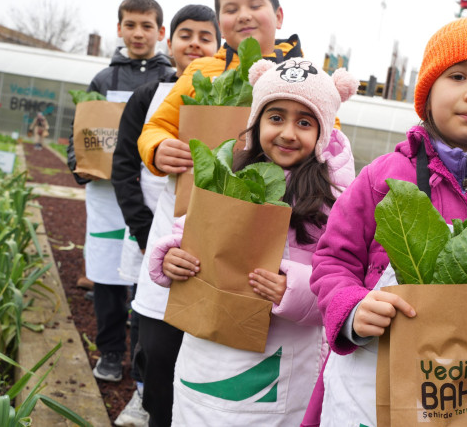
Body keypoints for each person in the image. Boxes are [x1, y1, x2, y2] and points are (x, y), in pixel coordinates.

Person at [307, 17, 467, 426]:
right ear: (427, 94)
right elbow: (332, 261)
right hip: (372, 377)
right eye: (459, 76)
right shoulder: (381, 178)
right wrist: (352, 310)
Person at [148, 57, 357, 425]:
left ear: (322, 132)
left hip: (280, 363)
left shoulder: (335, 200)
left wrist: (289, 288)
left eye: (305, 122)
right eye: (276, 117)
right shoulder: (229, 173)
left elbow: (341, 282)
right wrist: (169, 258)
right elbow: (189, 232)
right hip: (207, 348)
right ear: (256, 122)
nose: (288, 133)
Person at [132, 0, 303, 425]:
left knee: (224, 383)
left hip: (252, 257)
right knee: (161, 361)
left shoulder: (302, 77)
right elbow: (155, 129)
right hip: (182, 242)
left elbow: (331, 146)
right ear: (220, 19)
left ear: (279, 15)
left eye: (255, 5)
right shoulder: (202, 71)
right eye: (230, 9)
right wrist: (159, 149)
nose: (243, 16)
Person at [110, 5, 221, 427]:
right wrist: (142, 229)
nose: (195, 43)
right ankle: (143, 394)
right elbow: (124, 165)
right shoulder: (149, 97)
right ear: (169, 41)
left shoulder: (230, 91)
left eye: (205, 37)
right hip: (148, 229)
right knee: (147, 319)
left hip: (196, 237)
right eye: (185, 35)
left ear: (218, 47)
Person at [65, 0, 174, 389]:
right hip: (107, 199)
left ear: (161, 33)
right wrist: (80, 166)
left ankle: (143, 365)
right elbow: (79, 136)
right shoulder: (102, 80)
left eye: (147, 26)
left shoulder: (170, 80)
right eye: (130, 25)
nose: (138, 33)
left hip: (150, 197)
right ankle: (111, 351)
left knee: (149, 279)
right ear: (119, 29)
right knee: (108, 276)